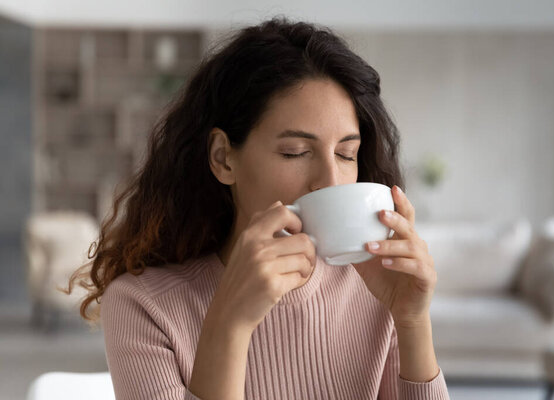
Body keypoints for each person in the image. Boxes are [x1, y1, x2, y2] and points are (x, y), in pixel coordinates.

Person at [65, 16, 450, 400]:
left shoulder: (375, 288)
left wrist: (412, 320)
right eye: (295, 152)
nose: (330, 180)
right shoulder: (144, 304)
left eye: (346, 154)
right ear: (223, 158)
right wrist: (230, 323)